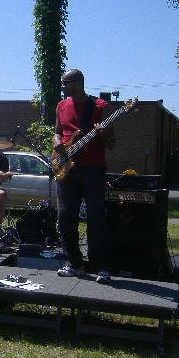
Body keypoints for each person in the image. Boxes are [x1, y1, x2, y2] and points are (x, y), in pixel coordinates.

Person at [52, 69, 115, 283]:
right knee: (65, 217)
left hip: (92, 169)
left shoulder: (100, 107)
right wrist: (56, 143)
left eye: (65, 83)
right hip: (66, 167)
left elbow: (111, 143)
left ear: (77, 83)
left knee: (96, 218)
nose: (62, 86)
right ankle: (74, 263)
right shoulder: (61, 106)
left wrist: (104, 134)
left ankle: (101, 266)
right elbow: (57, 133)